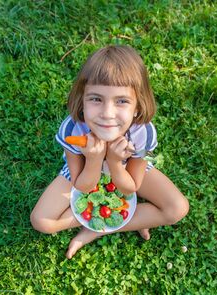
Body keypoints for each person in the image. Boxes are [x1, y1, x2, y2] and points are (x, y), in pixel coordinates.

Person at [30, 45, 189, 259]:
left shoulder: (144, 133)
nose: (107, 114)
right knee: (41, 221)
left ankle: (95, 230)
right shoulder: (73, 128)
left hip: (128, 168)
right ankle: (119, 217)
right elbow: (82, 186)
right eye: (96, 99)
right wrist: (94, 159)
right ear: (82, 99)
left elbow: (131, 186)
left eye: (122, 101)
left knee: (177, 208)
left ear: (138, 107)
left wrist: (114, 163)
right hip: (83, 171)